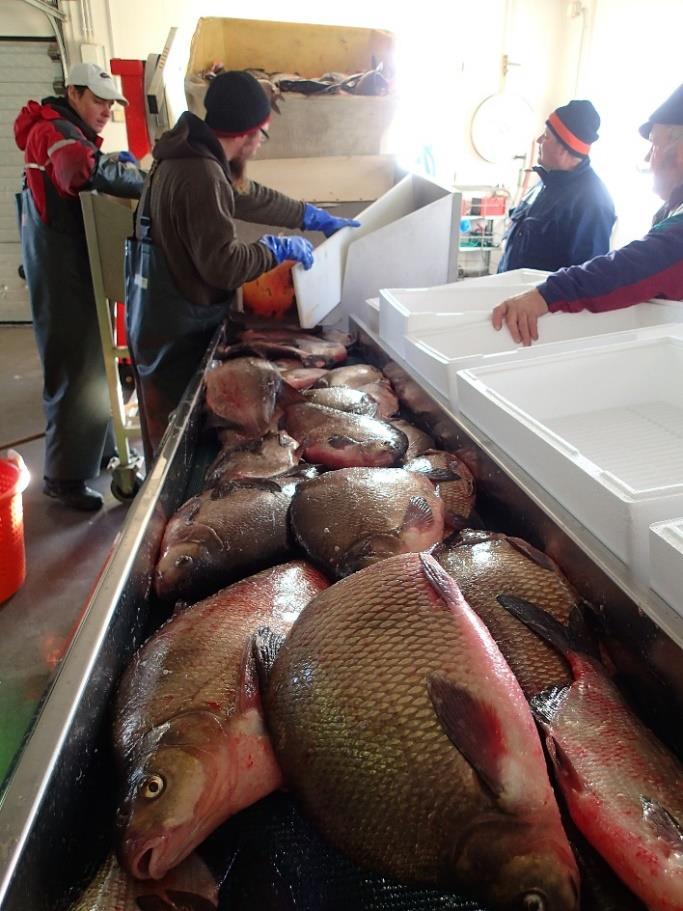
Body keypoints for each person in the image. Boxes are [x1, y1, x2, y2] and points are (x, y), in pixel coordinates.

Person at [126, 70, 360, 460]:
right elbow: (224, 266)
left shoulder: (189, 153)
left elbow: (248, 196)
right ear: (252, 132)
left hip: (158, 318)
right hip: (175, 331)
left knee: (169, 434)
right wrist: (273, 249)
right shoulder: (200, 173)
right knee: (175, 446)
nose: (258, 145)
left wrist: (309, 215)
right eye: (263, 133)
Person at [14, 62, 145, 511]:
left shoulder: (63, 129)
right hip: (60, 270)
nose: (106, 109)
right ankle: (64, 480)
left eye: (111, 103)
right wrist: (142, 180)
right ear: (73, 93)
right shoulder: (54, 132)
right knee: (76, 368)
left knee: (93, 364)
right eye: (98, 99)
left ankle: (103, 451)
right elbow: (79, 174)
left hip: (68, 266)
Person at [492, 84, 683, 346]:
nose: (648, 158)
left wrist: (546, 295)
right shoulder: (543, 184)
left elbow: (630, 267)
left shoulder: (592, 201)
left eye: (653, 145)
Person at [497, 99, 615, 273]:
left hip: (538, 299)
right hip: (511, 295)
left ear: (563, 147)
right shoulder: (545, 184)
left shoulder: (592, 203)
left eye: (546, 136)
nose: (539, 141)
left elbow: (583, 278)